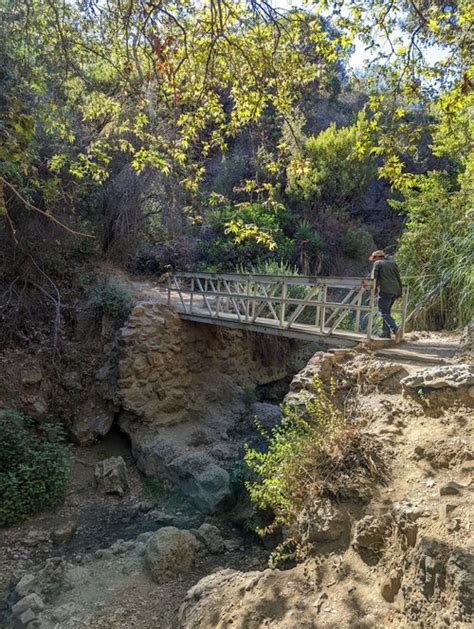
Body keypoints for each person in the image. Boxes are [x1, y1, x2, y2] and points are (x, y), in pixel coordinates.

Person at [369, 250, 403, 339]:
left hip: (385, 291)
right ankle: (386, 333)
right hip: (395, 291)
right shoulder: (393, 263)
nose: (373, 260)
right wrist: (400, 292)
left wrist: (374, 292)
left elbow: (373, 279)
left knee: (382, 312)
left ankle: (395, 329)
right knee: (387, 312)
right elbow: (398, 278)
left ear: (377, 257)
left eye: (374, 258)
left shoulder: (378, 263)